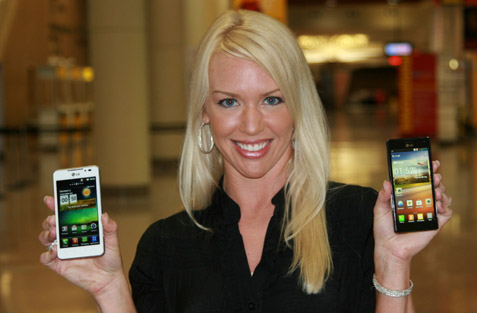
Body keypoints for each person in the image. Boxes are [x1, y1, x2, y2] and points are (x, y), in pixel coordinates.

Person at [39, 9, 453, 313]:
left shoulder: (361, 219)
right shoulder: (165, 246)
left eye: (272, 99)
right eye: (229, 101)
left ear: (299, 108)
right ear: (205, 111)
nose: (252, 125)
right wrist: (110, 290)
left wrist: (393, 264)